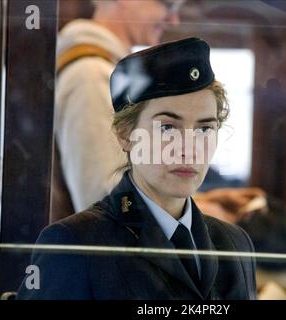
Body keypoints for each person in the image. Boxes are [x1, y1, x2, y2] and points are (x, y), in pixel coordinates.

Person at [17, 38, 257, 299]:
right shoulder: (76, 243)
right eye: (167, 127)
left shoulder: (234, 243)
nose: (189, 149)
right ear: (125, 134)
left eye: (204, 129)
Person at [52, 0, 183, 222]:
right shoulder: (91, 75)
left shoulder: (109, 73)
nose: (174, 20)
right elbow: (104, 205)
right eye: (167, 4)